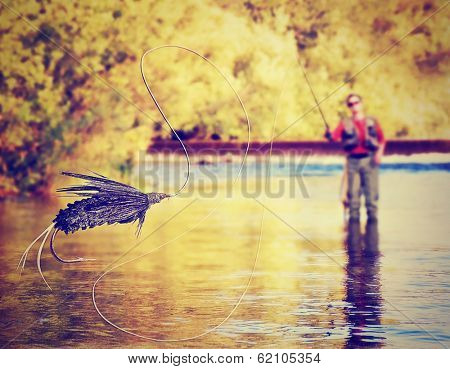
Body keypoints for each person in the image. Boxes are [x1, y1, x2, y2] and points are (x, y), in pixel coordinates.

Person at [325, 94, 386, 221]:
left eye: (356, 102)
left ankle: (372, 237)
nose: (354, 106)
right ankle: (353, 237)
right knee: (353, 201)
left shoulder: (372, 121)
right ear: (348, 107)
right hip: (352, 162)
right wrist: (329, 135)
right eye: (350, 104)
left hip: (370, 161)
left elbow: (382, 140)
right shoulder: (345, 123)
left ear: (361, 103)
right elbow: (334, 137)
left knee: (371, 200)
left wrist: (379, 154)